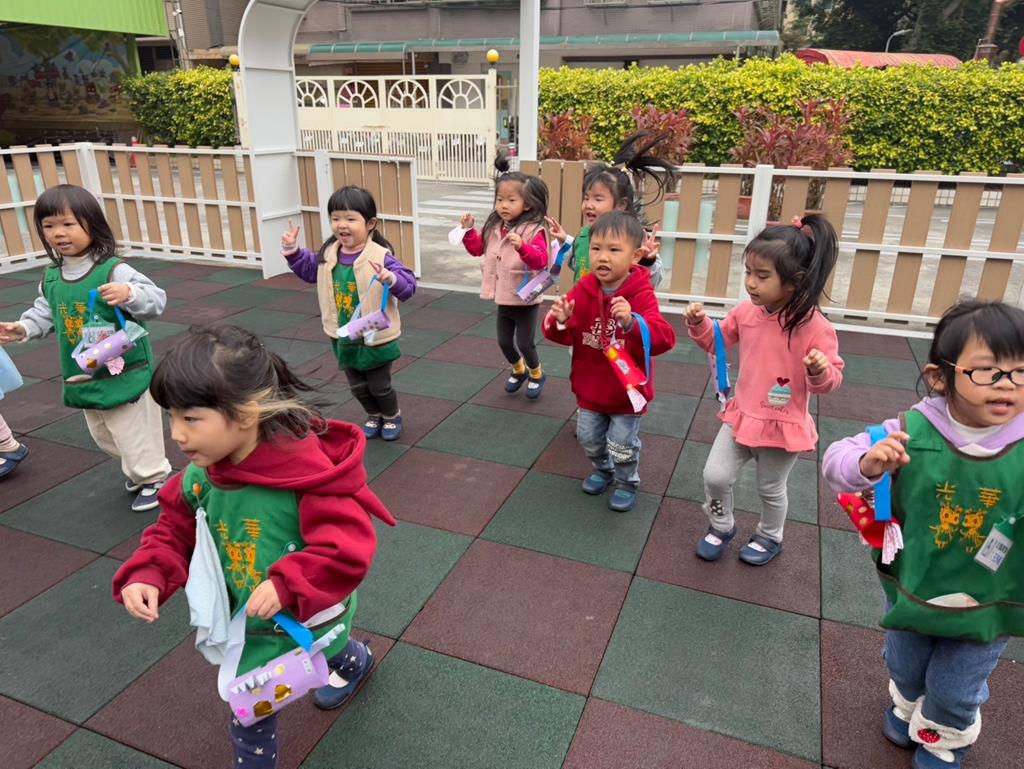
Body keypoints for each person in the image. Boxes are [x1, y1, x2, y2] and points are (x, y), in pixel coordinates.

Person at [113, 324, 396, 769]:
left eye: (190, 419)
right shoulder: (201, 476)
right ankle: (354, 659)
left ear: (244, 414)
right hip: (249, 621)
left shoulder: (307, 476)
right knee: (261, 700)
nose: (177, 435)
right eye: (171, 418)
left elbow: (346, 547)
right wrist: (150, 572)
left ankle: (352, 660)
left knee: (259, 704)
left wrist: (288, 584)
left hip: (305, 610)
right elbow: (174, 529)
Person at [823, 300, 1024, 769]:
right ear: (940, 377)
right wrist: (868, 462)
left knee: (956, 683)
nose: (1008, 384)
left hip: (990, 595)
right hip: (914, 583)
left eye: (1020, 372)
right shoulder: (911, 430)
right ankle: (909, 702)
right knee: (905, 663)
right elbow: (836, 461)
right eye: (988, 371)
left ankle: (943, 734)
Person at [685, 213, 843, 565]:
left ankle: (770, 536)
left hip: (782, 425)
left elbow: (832, 379)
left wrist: (819, 370)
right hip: (742, 416)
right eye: (748, 273)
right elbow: (718, 342)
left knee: (770, 489)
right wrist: (700, 325)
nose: (751, 283)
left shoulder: (816, 328)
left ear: (795, 282)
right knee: (715, 476)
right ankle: (721, 525)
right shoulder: (746, 313)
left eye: (762, 275)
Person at [0, 184, 170, 511]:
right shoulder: (52, 276)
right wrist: (23, 328)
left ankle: (154, 476)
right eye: (49, 226)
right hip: (86, 371)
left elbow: (156, 300)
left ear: (92, 224)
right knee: (104, 434)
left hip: (125, 369)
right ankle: (138, 469)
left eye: (68, 224)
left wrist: (130, 293)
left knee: (133, 430)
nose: (58, 233)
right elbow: (45, 311)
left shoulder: (113, 269)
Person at [542, 211, 675, 512]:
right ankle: (603, 469)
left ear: (635, 256)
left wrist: (632, 322)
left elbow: (664, 338)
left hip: (627, 392)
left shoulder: (641, 293)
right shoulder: (584, 289)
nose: (603, 257)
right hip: (590, 388)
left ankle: (627, 482)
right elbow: (559, 333)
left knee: (622, 443)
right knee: (588, 437)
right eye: (596, 248)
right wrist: (562, 320)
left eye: (614, 250)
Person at [282, 186, 416, 441]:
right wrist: (293, 251)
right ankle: (373, 414)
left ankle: (391, 415)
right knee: (357, 386)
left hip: (375, 334)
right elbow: (308, 270)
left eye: (350, 219)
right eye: (335, 218)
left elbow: (408, 286)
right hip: (342, 334)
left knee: (379, 384)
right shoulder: (328, 255)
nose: (342, 225)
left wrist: (390, 278)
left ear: (370, 223)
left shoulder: (380, 256)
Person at [459, 156, 551, 398]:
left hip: (525, 298)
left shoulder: (533, 229)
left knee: (525, 343)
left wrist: (523, 246)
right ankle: (518, 370)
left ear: (527, 204)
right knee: (503, 342)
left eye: (511, 200)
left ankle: (536, 373)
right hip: (503, 296)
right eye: (500, 200)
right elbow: (477, 249)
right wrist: (468, 231)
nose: (504, 206)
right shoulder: (494, 227)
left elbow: (541, 260)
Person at [545, 132, 676, 289]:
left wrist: (647, 260)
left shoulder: (632, 237)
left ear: (621, 204)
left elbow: (652, 281)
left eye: (598, 199)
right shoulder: (585, 234)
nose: (589, 204)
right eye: (586, 198)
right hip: (584, 303)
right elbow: (579, 263)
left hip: (617, 304)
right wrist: (565, 240)